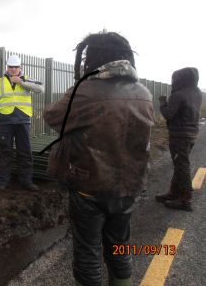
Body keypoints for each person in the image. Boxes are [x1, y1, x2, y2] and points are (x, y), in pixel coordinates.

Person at [43, 31, 155, 286]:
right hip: (128, 186)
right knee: (119, 247)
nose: (83, 64)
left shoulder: (86, 90)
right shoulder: (144, 93)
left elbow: (52, 117)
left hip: (89, 188)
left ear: (94, 58)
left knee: (88, 252)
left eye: (86, 59)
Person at [0, 54, 44, 191]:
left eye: (16, 67)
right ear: (7, 67)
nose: (13, 70)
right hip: (5, 122)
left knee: (25, 152)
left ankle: (26, 182)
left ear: (20, 68)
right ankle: (3, 182)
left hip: (23, 122)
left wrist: (21, 82)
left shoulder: (26, 79)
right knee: (5, 152)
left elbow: (41, 89)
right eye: (11, 67)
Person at [156, 67, 202, 211]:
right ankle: (174, 193)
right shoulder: (196, 93)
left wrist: (163, 102)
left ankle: (185, 200)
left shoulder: (178, 95)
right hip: (192, 134)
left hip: (179, 136)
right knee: (180, 164)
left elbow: (168, 115)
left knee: (182, 166)